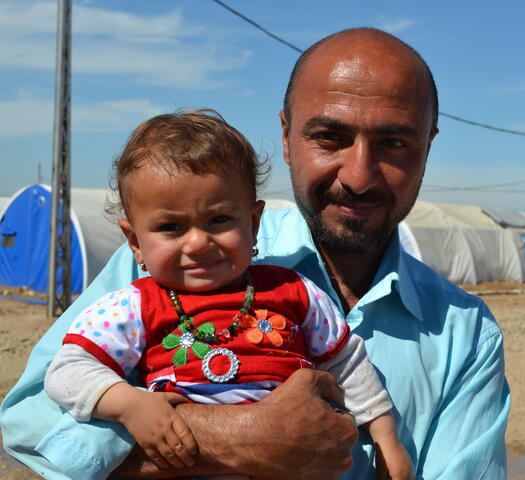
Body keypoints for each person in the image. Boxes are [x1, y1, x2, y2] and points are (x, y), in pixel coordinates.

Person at [1, 27, 510, 479]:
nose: (358, 176)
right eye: (329, 137)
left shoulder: (464, 335)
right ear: (287, 137)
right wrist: (236, 437)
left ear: (428, 144)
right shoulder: (165, 271)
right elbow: (30, 419)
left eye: (394, 143)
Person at [43, 109, 412, 480]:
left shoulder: (293, 290)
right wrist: (129, 405)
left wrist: (386, 440)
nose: (198, 242)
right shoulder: (134, 305)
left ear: (252, 223)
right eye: (170, 227)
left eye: (219, 219)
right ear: (135, 242)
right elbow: (67, 371)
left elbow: (346, 362)